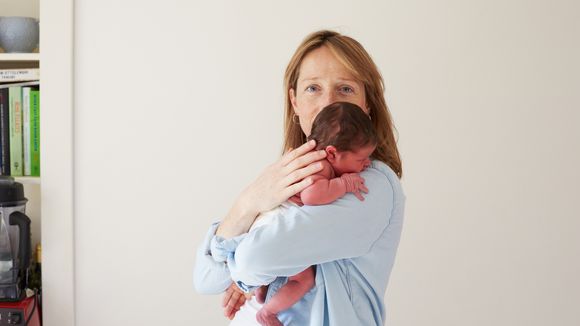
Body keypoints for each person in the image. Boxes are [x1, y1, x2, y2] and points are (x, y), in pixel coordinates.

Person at [194, 29, 405, 326]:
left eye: (345, 89)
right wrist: (249, 201)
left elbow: (257, 259)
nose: (329, 103)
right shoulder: (282, 177)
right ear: (294, 102)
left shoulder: (372, 184)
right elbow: (206, 280)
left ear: (367, 104)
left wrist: (242, 279)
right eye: (313, 88)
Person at [253, 102, 378, 326]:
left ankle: (264, 291)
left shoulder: (316, 157)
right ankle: (267, 313)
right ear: (332, 153)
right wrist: (344, 184)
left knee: (282, 268)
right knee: (304, 280)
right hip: (276, 222)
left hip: (268, 221)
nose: (365, 164)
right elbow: (312, 196)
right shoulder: (320, 166)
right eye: (360, 160)